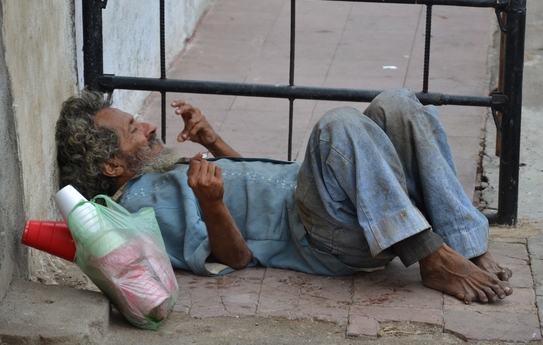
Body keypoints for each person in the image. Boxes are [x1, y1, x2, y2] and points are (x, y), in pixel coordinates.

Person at [55, 88, 513, 304]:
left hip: (339, 202)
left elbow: (253, 183)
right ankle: (429, 255)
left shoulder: (160, 169)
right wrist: (212, 204)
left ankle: (466, 243)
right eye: (134, 130)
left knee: (397, 103)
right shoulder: (139, 205)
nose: (149, 126)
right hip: (322, 237)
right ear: (113, 167)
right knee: (338, 125)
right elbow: (233, 257)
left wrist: (215, 144)